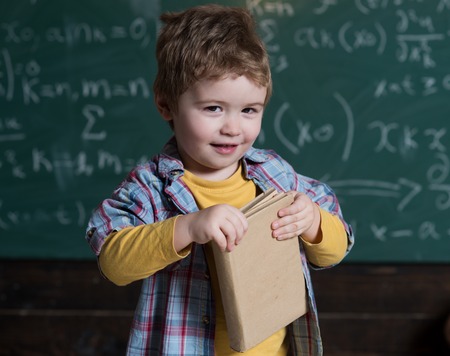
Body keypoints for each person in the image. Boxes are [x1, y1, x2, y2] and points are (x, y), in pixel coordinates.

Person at [85, 4, 354, 355]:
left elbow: (335, 250)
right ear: (167, 106)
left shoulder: (277, 176)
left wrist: (313, 220)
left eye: (249, 111)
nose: (232, 127)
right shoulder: (150, 187)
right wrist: (187, 228)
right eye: (213, 108)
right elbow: (112, 261)